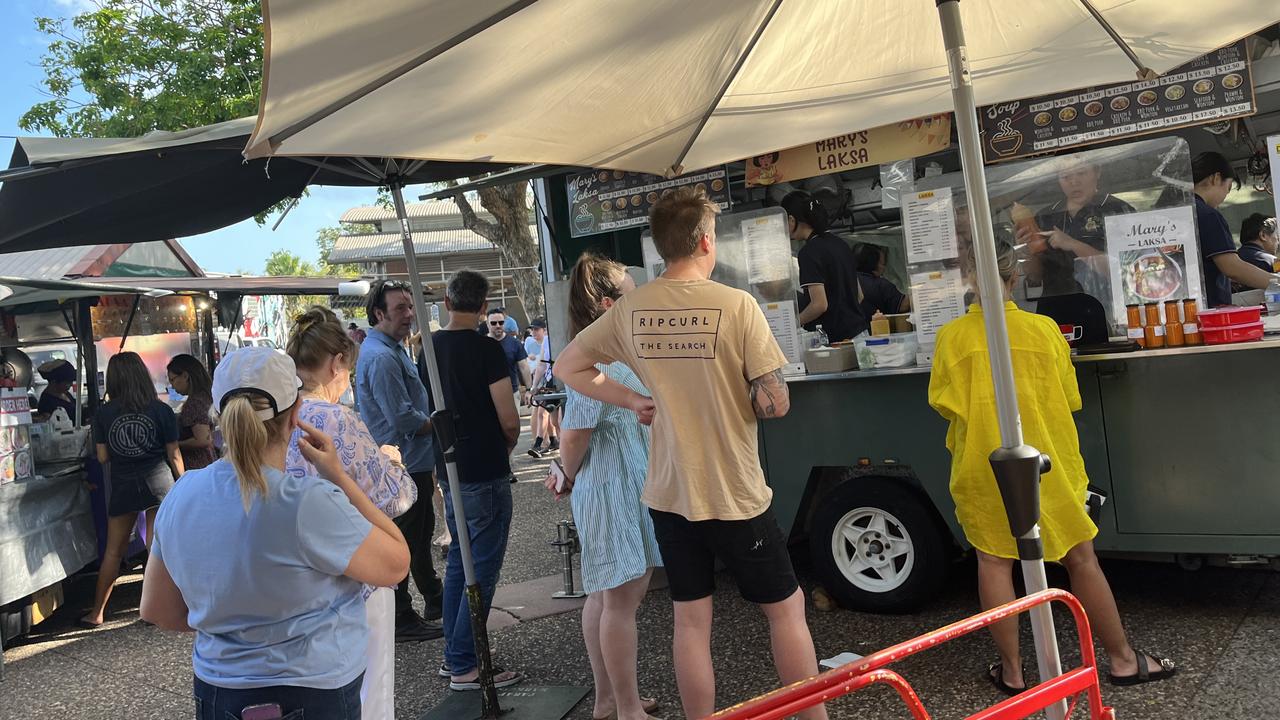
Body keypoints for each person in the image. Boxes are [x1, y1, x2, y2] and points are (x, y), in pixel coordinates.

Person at [555, 187, 827, 720]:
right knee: (786, 609)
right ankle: (812, 716)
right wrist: (756, 393)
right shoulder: (736, 304)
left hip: (668, 492)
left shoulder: (631, 309)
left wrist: (634, 396)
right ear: (707, 240)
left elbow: (568, 367)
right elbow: (774, 403)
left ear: (660, 247)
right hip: (736, 490)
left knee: (691, 619)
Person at [928, 240, 1176, 693]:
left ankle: (1014, 672)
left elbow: (944, 405)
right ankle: (1122, 659)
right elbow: (1070, 398)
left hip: (984, 465)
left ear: (966, 279)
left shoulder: (950, 339)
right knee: (1081, 558)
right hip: (1048, 462)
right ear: (1015, 276)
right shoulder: (1044, 331)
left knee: (993, 561)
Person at [139, 347, 411, 720]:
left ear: (217, 415)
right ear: (295, 415)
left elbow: (157, 609)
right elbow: (396, 563)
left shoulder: (181, 494)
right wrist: (339, 477)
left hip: (219, 691)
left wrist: (236, 628)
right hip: (314, 688)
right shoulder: (308, 503)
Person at [545, 253, 663, 720]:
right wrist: (565, 471)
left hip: (616, 485)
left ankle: (608, 700)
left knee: (604, 596)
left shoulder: (602, 349)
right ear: (610, 303)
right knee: (620, 601)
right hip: (612, 489)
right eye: (632, 295)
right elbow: (575, 433)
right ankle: (627, 708)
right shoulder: (595, 353)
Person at [284, 306, 417, 720]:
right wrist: (391, 461)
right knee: (370, 689)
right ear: (336, 363)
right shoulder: (336, 419)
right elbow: (395, 498)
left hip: (293, 575)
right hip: (355, 568)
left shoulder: (272, 418)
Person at [423, 269, 524, 691]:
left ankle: (455, 654)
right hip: (485, 464)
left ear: (447, 302)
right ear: (484, 308)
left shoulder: (427, 348)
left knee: (458, 565)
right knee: (482, 566)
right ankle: (466, 662)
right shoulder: (487, 349)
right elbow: (508, 416)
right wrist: (508, 441)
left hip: (450, 465)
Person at [355, 279, 444, 642]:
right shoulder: (381, 357)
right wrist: (438, 425)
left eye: (410, 306)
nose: (409, 314)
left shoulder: (390, 349)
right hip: (401, 465)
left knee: (419, 535)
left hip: (411, 461)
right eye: (401, 308)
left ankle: (434, 599)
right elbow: (401, 418)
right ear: (379, 314)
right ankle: (401, 615)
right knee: (406, 540)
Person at [82, 351, 184, 628]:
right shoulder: (161, 409)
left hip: (124, 484)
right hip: (160, 481)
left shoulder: (104, 413)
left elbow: (102, 457)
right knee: (157, 548)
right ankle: (156, 609)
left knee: (114, 552)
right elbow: (174, 454)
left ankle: (97, 613)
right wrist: (184, 484)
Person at [1015, 157, 1134, 296]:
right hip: (1058, 306)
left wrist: (1073, 244)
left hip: (1107, 304)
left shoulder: (1118, 210)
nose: (1074, 182)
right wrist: (1025, 251)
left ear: (1097, 172)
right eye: (1065, 176)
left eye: (1081, 173)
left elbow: (1128, 271)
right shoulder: (1046, 216)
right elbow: (1035, 277)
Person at [1179, 152, 1280, 306]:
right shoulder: (1207, 215)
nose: (1226, 195)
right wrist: (1276, 282)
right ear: (1216, 178)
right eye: (1228, 188)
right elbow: (1232, 268)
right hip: (1207, 311)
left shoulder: (1179, 211)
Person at [781, 189, 867, 342]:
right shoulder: (841, 244)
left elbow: (819, 305)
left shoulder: (809, 252)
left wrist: (791, 325)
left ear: (792, 220)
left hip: (838, 342)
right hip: (861, 334)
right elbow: (859, 296)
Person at [167, 354, 216, 471]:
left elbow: (203, 439)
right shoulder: (207, 396)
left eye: (172, 380)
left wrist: (175, 445)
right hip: (208, 460)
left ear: (185, 376)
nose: (172, 386)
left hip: (196, 464)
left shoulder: (194, 403)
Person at [486, 308, 533, 409]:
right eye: (493, 323)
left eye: (501, 322)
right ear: (487, 324)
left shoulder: (515, 343)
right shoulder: (480, 344)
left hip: (511, 394)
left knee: (513, 425)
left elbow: (524, 367)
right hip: (487, 395)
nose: (498, 325)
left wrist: (529, 389)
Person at [527, 317, 560, 458]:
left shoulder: (563, 336)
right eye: (532, 329)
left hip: (564, 380)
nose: (534, 332)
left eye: (537, 329)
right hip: (549, 382)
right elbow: (542, 365)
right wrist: (534, 386)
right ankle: (544, 443)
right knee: (548, 416)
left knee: (559, 421)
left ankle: (541, 443)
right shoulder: (546, 342)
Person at [853, 243, 910, 318]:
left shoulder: (845, 282)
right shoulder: (880, 285)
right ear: (873, 264)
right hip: (876, 328)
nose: (884, 268)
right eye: (883, 264)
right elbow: (904, 305)